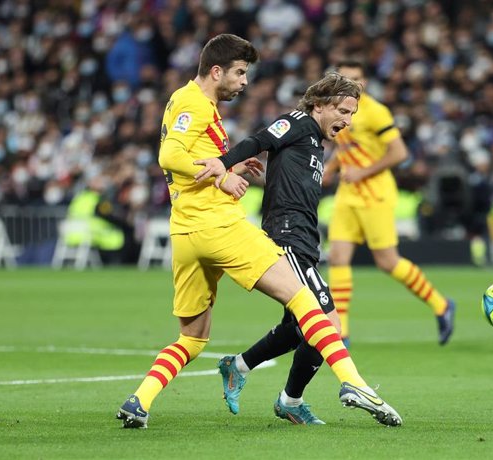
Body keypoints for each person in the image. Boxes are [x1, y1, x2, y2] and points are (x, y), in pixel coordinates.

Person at [116, 34, 402, 429]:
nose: (244, 81)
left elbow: (194, 160)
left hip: (186, 232)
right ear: (216, 71)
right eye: (239, 72)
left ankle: (139, 402)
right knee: (308, 304)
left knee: (194, 338)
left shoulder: (203, 107)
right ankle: (352, 383)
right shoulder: (193, 101)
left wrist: (230, 169)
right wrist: (222, 175)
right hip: (220, 225)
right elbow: (170, 155)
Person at [194, 72, 371, 425]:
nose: (347, 121)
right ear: (319, 104)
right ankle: (292, 400)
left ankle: (239, 365)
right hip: (286, 235)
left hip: (305, 238)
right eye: (343, 111)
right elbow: (259, 139)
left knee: (299, 325)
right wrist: (223, 164)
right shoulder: (297, 121)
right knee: (326, 325)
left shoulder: (315, 142)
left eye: (352, 114)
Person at [325, 60, 456, 346]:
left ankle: (441, 304)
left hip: (376, 194)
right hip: (348, 194)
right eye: (345, 79)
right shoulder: (340, 110)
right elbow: (349, 147)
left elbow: (399, 153)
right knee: (337, 258)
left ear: (366, 81)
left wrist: (363, 171)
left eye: (356, 78)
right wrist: (331, 169)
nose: (352, 83)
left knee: (387, 262)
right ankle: (341, 331)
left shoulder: (375, 112)